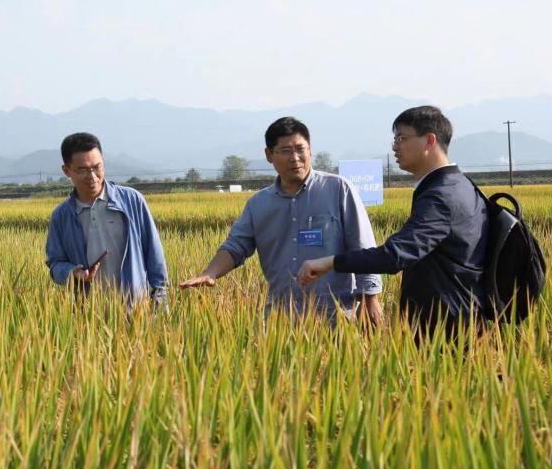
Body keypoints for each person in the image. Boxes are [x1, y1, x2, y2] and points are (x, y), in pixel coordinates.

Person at [298, 106, 489, 339]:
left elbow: (396, 255)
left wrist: (330, 262)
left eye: (402, 138)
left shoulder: (440, 197)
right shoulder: (460, 185)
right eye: (395, 139)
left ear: (430, 140)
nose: (395, 147)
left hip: (447, 330)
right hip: (460, 316)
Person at [180, 117, 383, 327]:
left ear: (310, 150)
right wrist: (210, 273)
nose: (295, 158)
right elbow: (235, 246)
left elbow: (363, 247)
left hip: (335, 318)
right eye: (286, 151)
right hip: (281, 321)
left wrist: (370, 298)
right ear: (269, 155)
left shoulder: (338, 189)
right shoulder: (258, 204)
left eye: (300, 149)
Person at [45, 132, 168, 305]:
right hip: (88, 314)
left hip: (135, 311)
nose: (92, 176)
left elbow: (155, 257)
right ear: (66, 170)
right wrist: (72, 272)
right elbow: (55, 263)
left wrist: (160, 306)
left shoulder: (132, 201)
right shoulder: (61, 216)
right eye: (82, 170)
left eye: (97, 167)